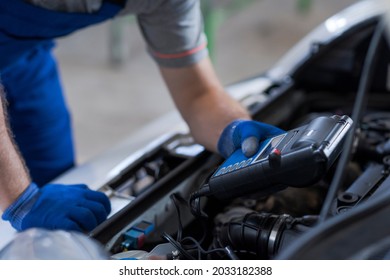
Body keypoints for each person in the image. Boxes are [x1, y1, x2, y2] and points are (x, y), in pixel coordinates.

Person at [0, 0, 283, 232]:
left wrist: (232, 128)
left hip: (23, 60)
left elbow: (198, 94)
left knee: (57, 181)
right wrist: (20, 200)